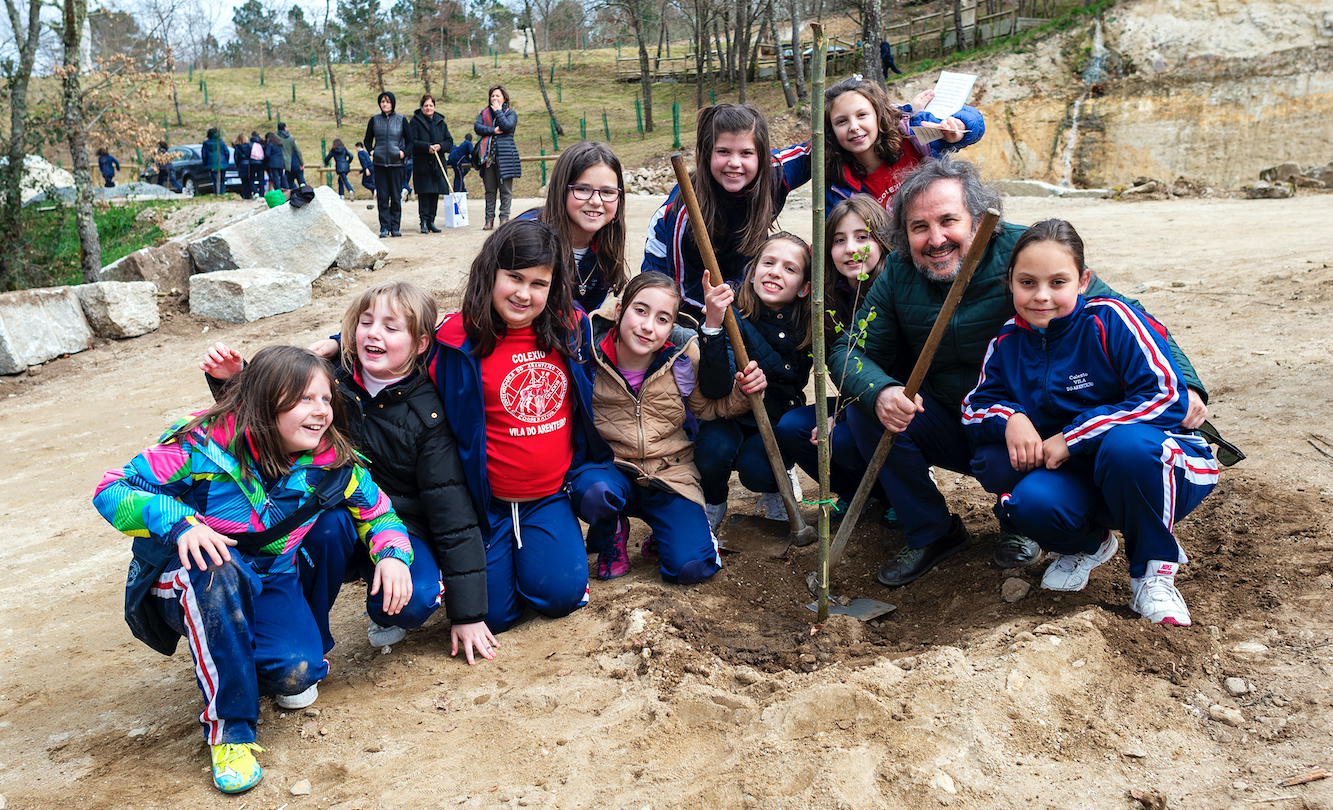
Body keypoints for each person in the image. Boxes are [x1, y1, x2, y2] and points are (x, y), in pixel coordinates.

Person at [828, 157, 1210, 587]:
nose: (935, 239)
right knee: (868, 408)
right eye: (919, 227)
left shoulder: (1027, 253)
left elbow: (1132, 315)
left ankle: (1021, 521)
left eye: (948, 221)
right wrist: (881, 391)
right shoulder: (899, 271)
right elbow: (848, 351)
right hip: (964, 417)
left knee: (1021, 467)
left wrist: (1188, 384)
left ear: (978, 219)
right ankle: (931, 531)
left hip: (1039, 428)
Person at [92, 345, 412, 794]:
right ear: (264, 402)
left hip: (271, 577)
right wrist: (181, 524)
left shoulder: (334, 463)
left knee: (298, 673)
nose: (321, 411)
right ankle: (230, 734)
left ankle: (237, 651)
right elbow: (111, 489)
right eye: (304, 399)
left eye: (325, 398)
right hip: (186, 577)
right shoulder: (202, 444)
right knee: (218, 570)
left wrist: (393, 555)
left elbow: (379, 514)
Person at [212, 283, 496, 662]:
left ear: (421, 344)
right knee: (327, 530)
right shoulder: (329, 379)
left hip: (402, 524)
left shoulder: (429, 413)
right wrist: (233, 380)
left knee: (418, 597)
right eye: (366, 323)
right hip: (330, 513)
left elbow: (452, 514)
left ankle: (382, 609)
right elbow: (270, 412)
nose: (374, 333)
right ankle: (304, 634)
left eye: (391, 328)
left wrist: (468, 614)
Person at [961, 220, 1220, 625]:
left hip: (1164, 465)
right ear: (1010, 282)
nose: (1041, 295)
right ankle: (1087, 545)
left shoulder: (1112, 320)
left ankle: (1154, 573)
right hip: (1081, 472)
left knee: (1125, 447)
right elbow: (974, 407)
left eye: (1057, 282)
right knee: (1020, 493)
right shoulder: (1007, 341)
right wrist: (1011, 417)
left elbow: (1166, 396)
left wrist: (1073, 436)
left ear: (1083, 281)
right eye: (1027, 283)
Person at [427, 219, 628, 632]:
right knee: (494, 617)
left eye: (539, 283)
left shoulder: (570, 328)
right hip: (486, 503)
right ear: (491, 273)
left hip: (549, 495)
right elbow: (394, 339)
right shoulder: (454, 339)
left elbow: (630, 344)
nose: (524, 293)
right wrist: (341, 342)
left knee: (560, 597)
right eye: (514, 277)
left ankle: (548, 554)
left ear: (553, 287)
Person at [585, 272, 763, 581]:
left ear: (671, 327)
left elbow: (708, 409)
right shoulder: (589, 354)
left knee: (692, 567)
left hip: (669, 472)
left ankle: (667, 531)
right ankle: (612, 530)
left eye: (662, 319)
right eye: (640, 310)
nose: (647, 326)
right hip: (612, 468)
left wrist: (744, 393)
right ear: (620, 311)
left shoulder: (680, 357)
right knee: (591, 491)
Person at [774, 196, 897, 523]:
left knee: (840, 437)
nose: (850, 248)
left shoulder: (899, 290)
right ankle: (862, 493)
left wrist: (841, 418)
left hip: (899, 405)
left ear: (882, 240)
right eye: (839, 240)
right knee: (792, 427)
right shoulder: (826, 300)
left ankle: (902, 495)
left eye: (862, 237)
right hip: (857, 402)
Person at [642, 103, 811, 319]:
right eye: (723, 152)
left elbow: (814, 151)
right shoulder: (685, 212)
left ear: (761, 155)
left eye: (746, 153)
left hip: (740, 260)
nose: (734, 163)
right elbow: (682, 290)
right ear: (707, 153)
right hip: (676, 278)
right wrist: (719, 309)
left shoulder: (776, 175)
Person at [694, 232, 814, 530]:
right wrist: (713, 324)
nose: (775, 272)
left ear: (804, 288)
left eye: (790, 268)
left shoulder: (809, 323)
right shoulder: (730, 314)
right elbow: (714, 388)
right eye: (768, 263)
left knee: (758, 469)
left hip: (777, 418)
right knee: (710, 452)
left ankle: (775, 487)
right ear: (752, 273)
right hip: (731, 414)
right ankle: (713, 502)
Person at [824, 75, 983, 218]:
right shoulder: (837, 185)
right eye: (841, 121)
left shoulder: (912, 135)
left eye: (862, 115)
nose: (854, 127)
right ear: (831, 130)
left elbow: (974, 120)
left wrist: (960, 126)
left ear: (879, 115)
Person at [516, 141, 628, 312]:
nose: (596, 201)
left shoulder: (608, 245)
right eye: (583, 189)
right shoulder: (526, 238)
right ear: (561, 190)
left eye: (607, 192)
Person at [474, 84, 520, 230]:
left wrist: (498, 112)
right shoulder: (484, 113)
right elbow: (477, 127)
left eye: (497, 96)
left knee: (505, 190)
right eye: (492, 96)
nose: (494, 98)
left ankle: (504, 219)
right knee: (490, 190)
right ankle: (489, 220)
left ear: (504, 98)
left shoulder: (510, 113)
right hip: (488, 158)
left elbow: (507, 126)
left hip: (506, 157)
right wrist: (493, 130)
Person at [365, 91, 409, 237]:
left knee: (396, 197)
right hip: (379, 164)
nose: (384, 104)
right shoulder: (374, 120)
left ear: (393, 103)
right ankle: (384, 227)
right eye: (382, 101)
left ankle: (395, 227)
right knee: (382, 197)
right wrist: (372, 151)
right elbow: (367, 140)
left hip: (397, 164)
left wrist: (403, 153)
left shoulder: (401, 120)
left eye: (387, 102)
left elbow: (410, 141)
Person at [408, 94, 453, 233]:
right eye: (426, 105)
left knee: (435, 193)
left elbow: (449, 141)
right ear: (422, 107)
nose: (428, 108)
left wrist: (440, 146)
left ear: (434, 107)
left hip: (437, 165)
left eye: (431, 105)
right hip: (422, 164)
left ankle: (431, 221)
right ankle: (423, 221)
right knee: (424, 194)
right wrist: (427, 147)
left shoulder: (441, 122)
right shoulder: (415, 122)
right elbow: (412, 141)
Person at [200, 127, 229, 195]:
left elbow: (204, 155)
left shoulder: (206, 144)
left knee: (215, 180)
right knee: (222, 180)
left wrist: (205, 164)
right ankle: (222, 193)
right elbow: (227, 152)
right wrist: (225, 162)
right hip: (222, 163)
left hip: (212, 164)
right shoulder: (221, 142)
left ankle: (217, 193)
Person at [276, 122, 304, 188]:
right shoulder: (291, 139)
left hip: (280, 163)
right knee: (299, 181)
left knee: (286, 182)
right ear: (285, 128)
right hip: (292, 165)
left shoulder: (275, 138)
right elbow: (298, 152)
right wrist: (301, 163)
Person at [232, 134, 253, 200]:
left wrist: (237, 165)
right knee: (250, 180)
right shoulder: (249, 146)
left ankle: (246, 196)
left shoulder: (237, 147)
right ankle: (251, 194)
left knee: (244, 181)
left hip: (241, 164)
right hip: (249, 164)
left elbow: (236, 157)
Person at [248, 131, 265, 196]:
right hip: (261, 162)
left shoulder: (250, 144)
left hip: (253, 162)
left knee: (251, 178)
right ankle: (262, 193)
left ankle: (255, 191)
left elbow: (247, 153)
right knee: (261, 178)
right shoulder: (261, 143)